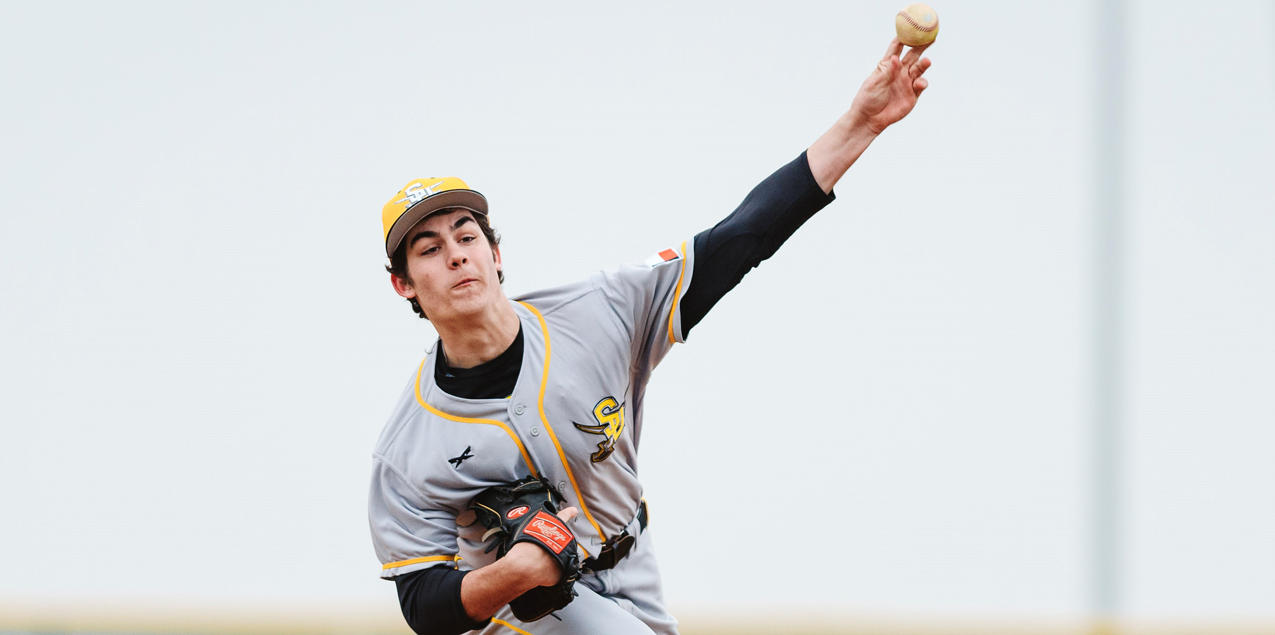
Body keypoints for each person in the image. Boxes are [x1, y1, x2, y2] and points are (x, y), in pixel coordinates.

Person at [368, 38, 934, 635]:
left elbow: (741, 236)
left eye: (466, 235)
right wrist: (517, 572)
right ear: (404, 285)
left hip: (633, 566)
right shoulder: (408, 449)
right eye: (429, 250)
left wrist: (860, 123)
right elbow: (423, 602)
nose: (457, 256)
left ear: (496, 252)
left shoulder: (599, 313)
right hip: (527, 612)